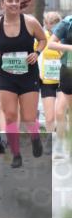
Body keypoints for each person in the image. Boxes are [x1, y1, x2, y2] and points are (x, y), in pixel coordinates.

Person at [0, 0, 49, 167]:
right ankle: (15, 153)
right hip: (6, 76)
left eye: (16, 1)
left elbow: (43, 40)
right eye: (9, 0)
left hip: (28, 75)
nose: (13, 3)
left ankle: (35, 138)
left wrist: (37, 53)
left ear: (19, 3)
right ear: (2, 3)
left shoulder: (30, 22)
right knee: (11, 115)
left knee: (28, 117)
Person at [38, 12, 63, 156]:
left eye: (55, 23)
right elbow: (35, 55)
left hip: (62, 81)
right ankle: (50, 138)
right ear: (46, 24)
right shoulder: (41, 38)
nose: (53, 26)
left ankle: (60, 142)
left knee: (60, 114)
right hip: (47, 81)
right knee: (49, 117)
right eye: (50, 23)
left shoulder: (64, 37)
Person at [49, 14, 72, 158]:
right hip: (68, 70)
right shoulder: (67, 23)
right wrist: (69, 48)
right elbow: (51, 44)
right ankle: (63, 145)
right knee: (61, 112)